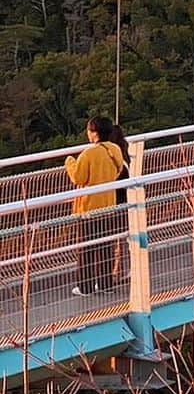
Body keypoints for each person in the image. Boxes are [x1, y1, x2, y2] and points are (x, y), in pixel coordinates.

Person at [65, 117, 125, 296]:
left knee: (86, 248)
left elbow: (78, 177)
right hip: (108, 205)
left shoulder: (88, 154)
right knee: (105, 246)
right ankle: (106, 284)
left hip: (89, 208)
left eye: (89, 130)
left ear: (94, 133)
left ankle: (85, 287)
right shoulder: (115, 149)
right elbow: (118, 170)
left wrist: (69, 162)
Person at [109, 123, 132, 284]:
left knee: (112, 239)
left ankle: (115, 271)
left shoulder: (114, 160)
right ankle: (121, 270)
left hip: (114, 202)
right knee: (121, 238)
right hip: (126, 201)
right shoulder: (126, 156)